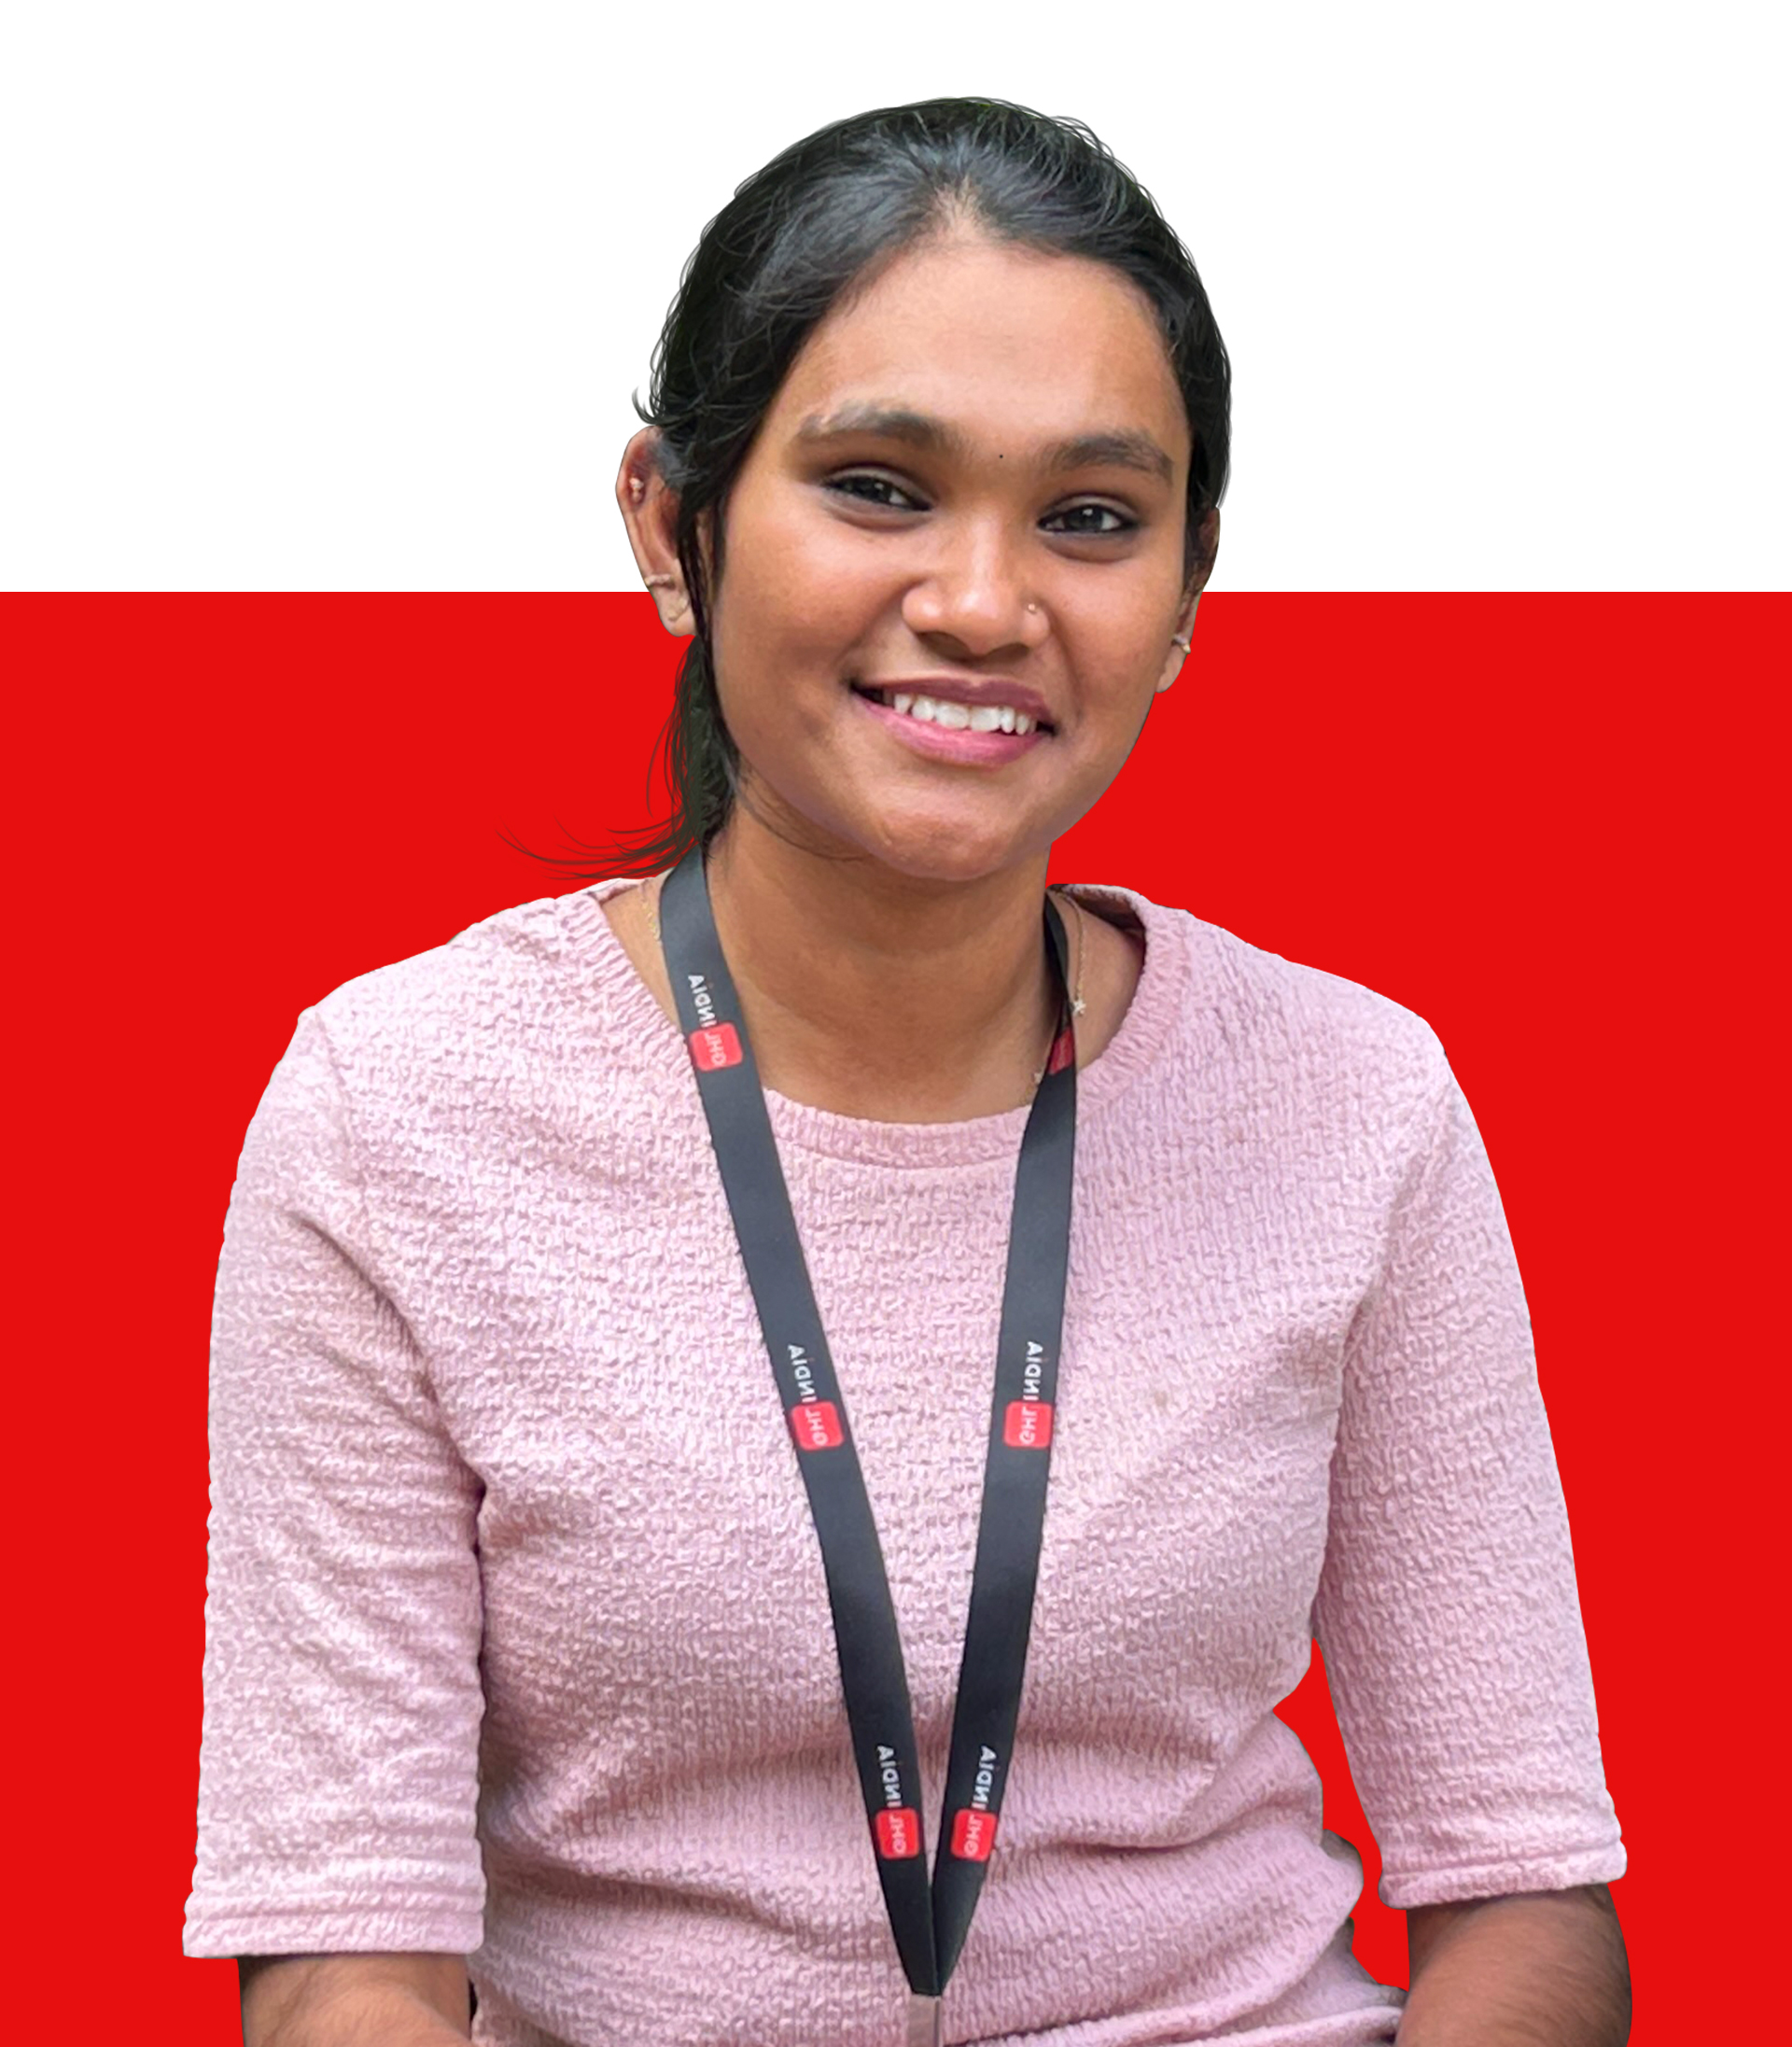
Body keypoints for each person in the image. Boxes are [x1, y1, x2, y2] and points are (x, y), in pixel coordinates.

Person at [185, 97, 1630, 2047]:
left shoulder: (1358, 1098)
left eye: (1094, 518)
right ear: (669, 524)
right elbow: (346, 1959)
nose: (979, 598)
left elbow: (1523, 1895)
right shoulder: (396, 1111)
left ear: (1190, 590)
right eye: (877, 484)